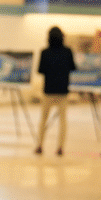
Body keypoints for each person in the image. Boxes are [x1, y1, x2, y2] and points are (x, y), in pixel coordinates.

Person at [34, 26, 76, 156]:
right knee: (63, 120)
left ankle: (40, 145)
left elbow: (40, 70)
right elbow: (73, 67)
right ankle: (60, 147)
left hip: (48, 89)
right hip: (63, 90)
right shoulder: (67, 51)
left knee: (43, 119)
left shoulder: (45, 52)